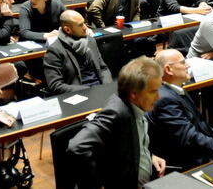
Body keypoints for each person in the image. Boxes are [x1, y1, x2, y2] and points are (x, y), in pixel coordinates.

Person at [67, 56, 166, 188]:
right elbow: (77, 147)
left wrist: (149, 157)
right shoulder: (116, 113)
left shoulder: (137, 106)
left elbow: (130, 143)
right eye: (153, 92)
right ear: (134, 94)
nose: (158, 97)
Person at [43, 10, 112, 95]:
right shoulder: (55, 51)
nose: (85, 27)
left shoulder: (90, 41)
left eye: (84, 23)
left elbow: (103, 68)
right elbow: (55, 85)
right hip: (78, 94)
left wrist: (107, 86)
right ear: (68, 30)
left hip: (100, 89)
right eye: (80, 25)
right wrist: (87, 91)